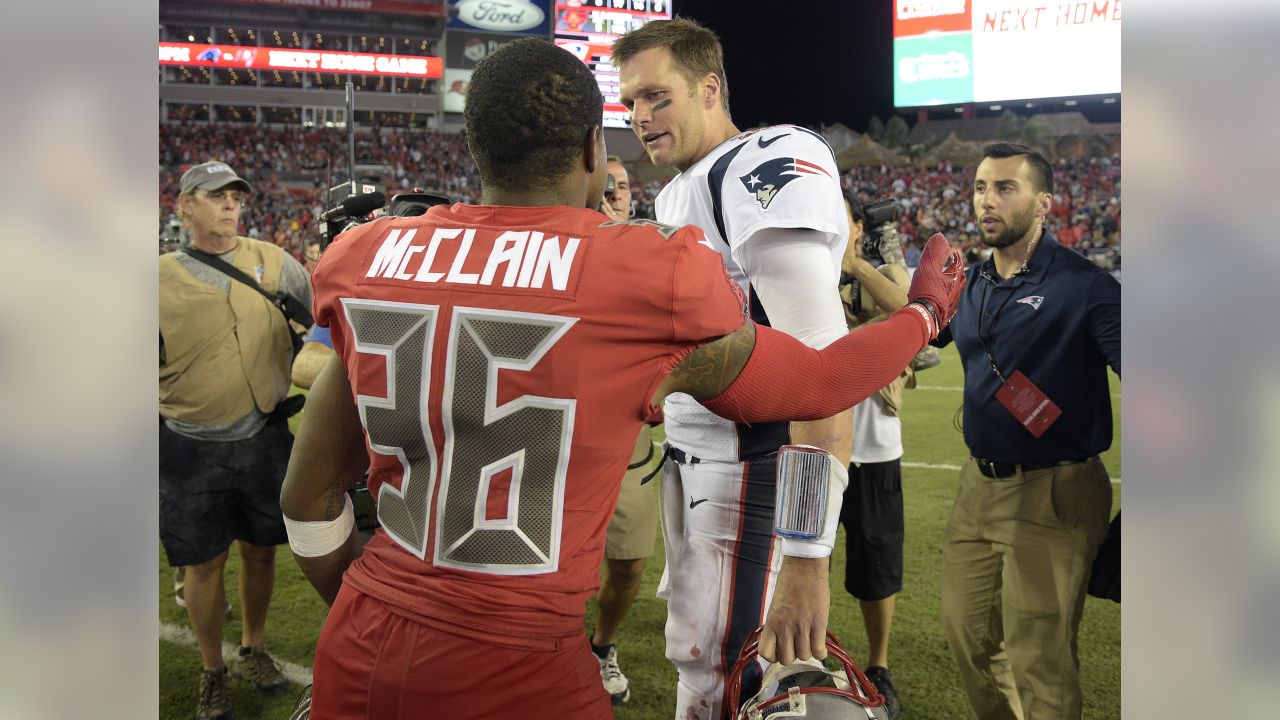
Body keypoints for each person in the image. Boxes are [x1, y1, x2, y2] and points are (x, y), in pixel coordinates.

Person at [280, 38, 965, 720]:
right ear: (591, 150)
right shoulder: (643, 270)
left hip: (359, 647)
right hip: (522, 664)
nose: (640, 116)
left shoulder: (365, 252)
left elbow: (306, 497)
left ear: (474, 147)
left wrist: (382, 607)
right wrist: (923, 314)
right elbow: (818, 381)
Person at [615, 19, 852, 719]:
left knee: (731, 671)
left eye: (657, 96)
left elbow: (821, 364)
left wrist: (808, 553)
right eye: (630, 102)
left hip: (754, 466)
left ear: (709, 88)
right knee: (702, 654)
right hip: (697, 460)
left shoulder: (763, 160)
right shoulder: (679, 189)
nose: (639, 117)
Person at [932, 143, 1119, 720]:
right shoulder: (975, 281)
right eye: (981, 187)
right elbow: (922, 329)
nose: (987, 200)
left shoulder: (1085, 286)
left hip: (1054, 492)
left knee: (1042, 659)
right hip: (977, 488)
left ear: (1044, 203)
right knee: (967, 637)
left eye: (1005, 188)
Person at [159, 160, 309, 720]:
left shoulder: (275, 262)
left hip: (264, 434)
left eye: (236, 197)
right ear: (185, 206)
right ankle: (212, 670)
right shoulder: (156, 279)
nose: (229, 205)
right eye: (215, 196)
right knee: (201, 564)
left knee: (262, 551)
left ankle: (253, 646)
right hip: (189, 444)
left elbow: (318, 323)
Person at [589, 153, 665, 705]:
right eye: (605, 186)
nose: (613, 195)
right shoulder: (564, 248)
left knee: (630, 562)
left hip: (633, 443)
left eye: (621, 188)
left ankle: (601, 647)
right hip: (563, 442)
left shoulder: (655, 253)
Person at [837, 192, 913, 720]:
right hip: (812, 446)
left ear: (859, 225)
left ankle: (879, 665)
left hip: (875, 448)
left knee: (877, 565)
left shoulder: (874, 271)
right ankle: (805, 655)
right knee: (802, 559)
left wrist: (856, 263)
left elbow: (910, 311)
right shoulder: (798, 269)